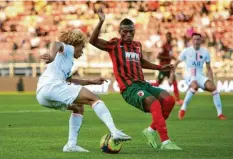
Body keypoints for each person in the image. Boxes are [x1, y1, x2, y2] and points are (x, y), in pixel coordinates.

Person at [89, 9, 182, 150]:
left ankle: (150, 131)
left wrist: (159, 68)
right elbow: (93, 41)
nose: (127, 34)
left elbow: (141, 62)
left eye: (130, 31)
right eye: (124, 31)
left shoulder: (137, 45)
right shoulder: (114, 45)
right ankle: (165, 142)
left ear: (134, 31)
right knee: (155, 104)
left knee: (169, 100)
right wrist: (101, 21)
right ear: (119, 32)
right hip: (129, 88)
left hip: (143, 84)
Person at [36, 29, 131, 153]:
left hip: (42, 95)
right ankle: (114, 131)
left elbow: (69, 81)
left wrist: (91, 81)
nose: (82, 51)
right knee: (94, 99)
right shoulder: (69, 49)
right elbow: (56, 44)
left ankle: (71, 145)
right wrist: (52, 56)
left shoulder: (67, 61)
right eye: (81, 47)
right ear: (75, 44)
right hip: (52, 86)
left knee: (78, 107)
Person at [174, 33, 227, 120]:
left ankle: (220, 114)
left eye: (198, 39)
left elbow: (209, 68)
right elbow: (175, 64)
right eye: (194, 39)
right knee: (194, 85)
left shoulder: (205, 52)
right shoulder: (186, 51)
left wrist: (211, 80)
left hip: (200, 75)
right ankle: (183, 109)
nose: (196, 41)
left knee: (213, 88)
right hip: (189, 74)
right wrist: (172, 75)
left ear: (201, 40)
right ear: (192, 40)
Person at [152, 32, 183, 105]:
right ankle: (146, 86)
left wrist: (178, 60)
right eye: (167, 37)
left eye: (170, 36)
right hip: (163, 67)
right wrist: (168, 58)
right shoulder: (163, 46)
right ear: (166, 37)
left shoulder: (170, 46)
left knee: (175, 82)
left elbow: (171, 56)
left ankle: (178, 100)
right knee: (157, 83)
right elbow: (158, 57)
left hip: (169, 68)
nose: (169, 38)